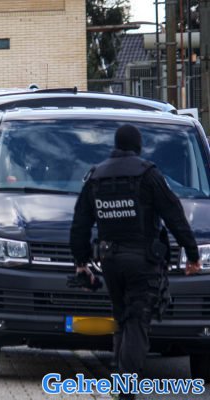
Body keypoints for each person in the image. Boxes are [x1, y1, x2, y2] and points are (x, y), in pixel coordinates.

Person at [70, 124, 201, 399]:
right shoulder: (148, 174)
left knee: (122, 318)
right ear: (138, 146)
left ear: (116, 145)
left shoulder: (96, 176)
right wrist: (192, 254)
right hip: (143, 262)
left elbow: (80, 223)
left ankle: (121, 381)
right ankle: (126, 390)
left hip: (109, 261)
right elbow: (174, 214)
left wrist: (81, 263)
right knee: (137, 321)